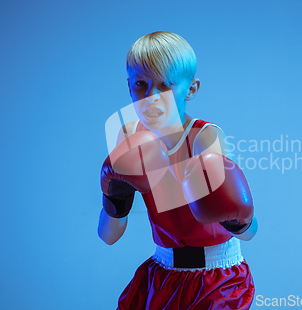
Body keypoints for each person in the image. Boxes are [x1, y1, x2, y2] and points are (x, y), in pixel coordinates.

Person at [98, 31, 258, 310]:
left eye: (165, 86)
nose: (151, 97)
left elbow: (249, 232)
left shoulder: (204, 138)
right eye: (140, 84)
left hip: (217, 279)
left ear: (191, 89)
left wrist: (235, 217)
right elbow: (108, 236)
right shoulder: (129, 137)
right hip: (162, 275)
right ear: (128, 86)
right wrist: (116, 199)